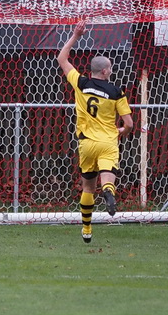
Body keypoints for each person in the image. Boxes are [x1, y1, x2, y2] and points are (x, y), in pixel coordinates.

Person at [57, 20, 133, 244]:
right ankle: (109, 191)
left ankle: (87, 229)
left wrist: (75, 35)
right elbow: (129, 123)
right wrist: (120, 131)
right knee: (107, 176)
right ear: (105, 70)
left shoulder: (80, 82)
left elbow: (62, 59)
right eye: (110, 67)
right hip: (109, 141)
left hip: (87, 143)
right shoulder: (116, 91)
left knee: (88, 186)